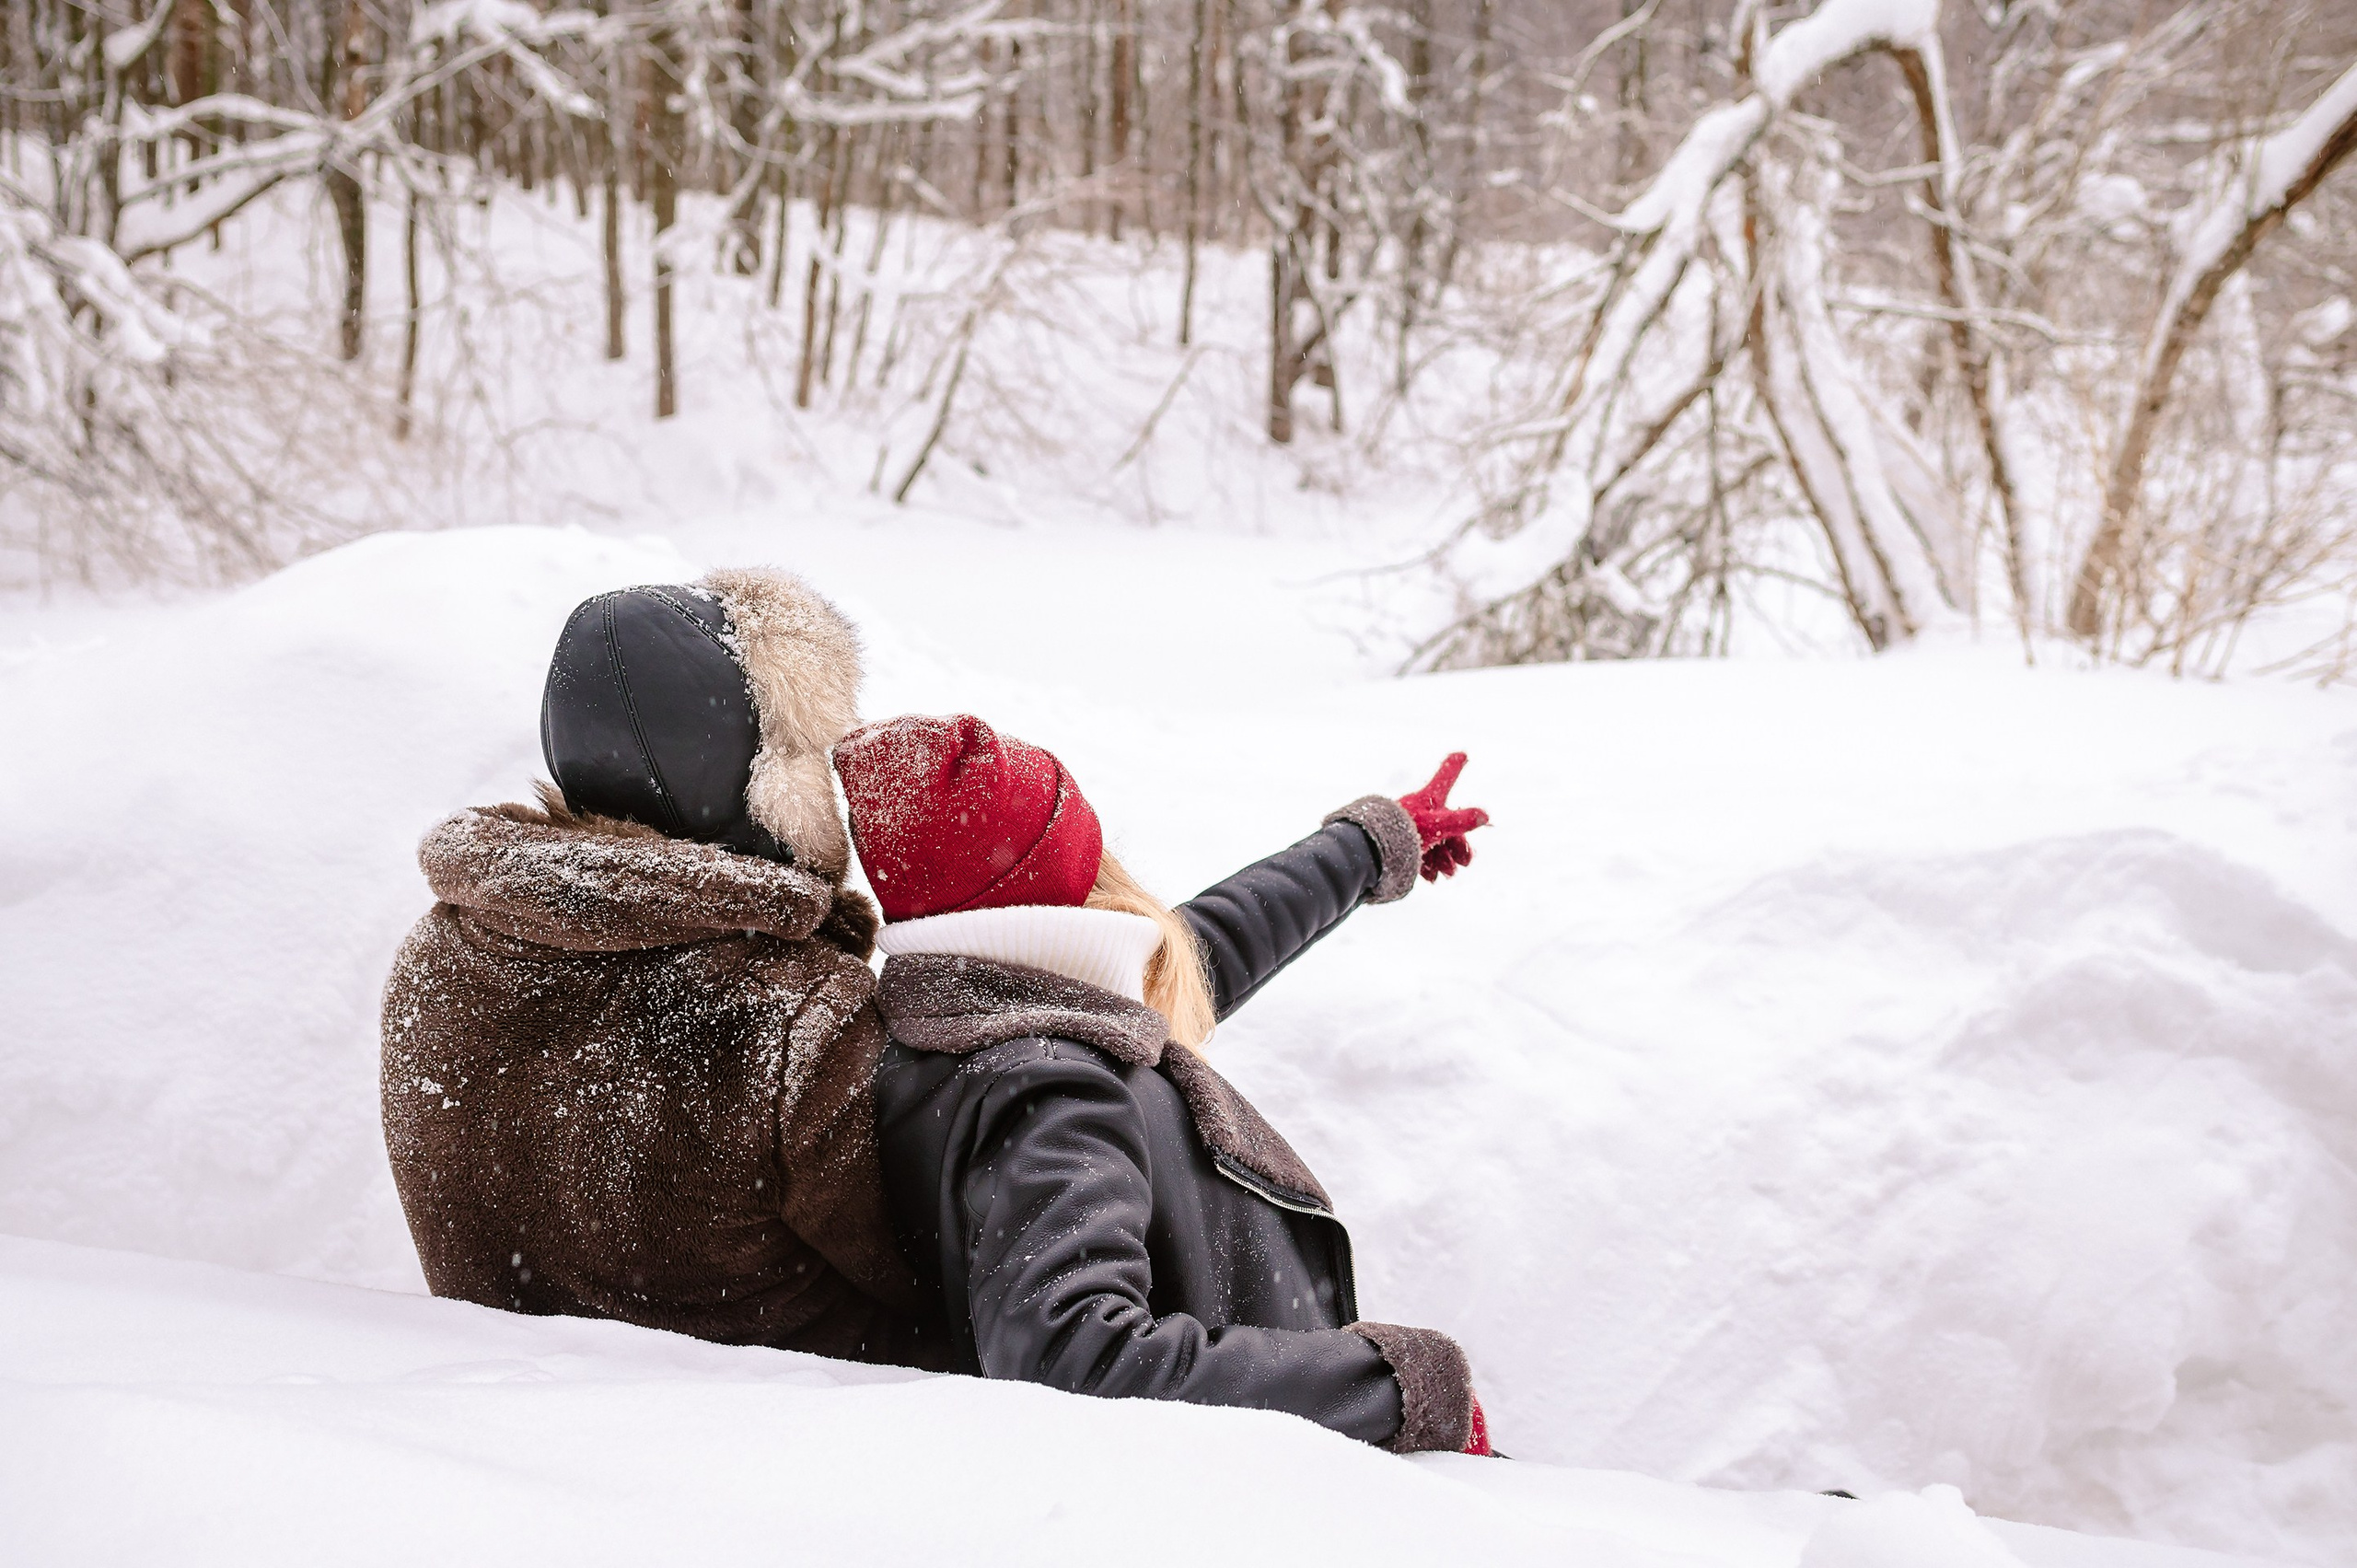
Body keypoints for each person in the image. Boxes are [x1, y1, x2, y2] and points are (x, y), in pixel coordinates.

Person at [835, 713, 1497, 1455]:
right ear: (1058, 880)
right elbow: (1073, 1356)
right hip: (1237, 1489)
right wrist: (1388, 1389)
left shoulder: (970, 1015)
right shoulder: (1053, 1089)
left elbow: (1203, 946)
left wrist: (1366, 847)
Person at [379, 570, 941, 1366]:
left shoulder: (436, 958)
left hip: (500, 1433)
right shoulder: (787, 1009)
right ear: (763, 774)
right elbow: (930, 1276)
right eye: (808, 749)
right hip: (786, 1448)